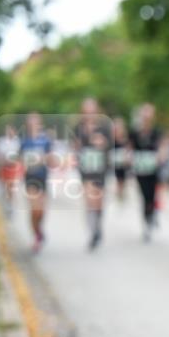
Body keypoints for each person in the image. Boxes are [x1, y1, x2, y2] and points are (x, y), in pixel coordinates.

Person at [73, 98, 111, 251]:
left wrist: (103, 143)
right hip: (86, 168)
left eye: (92, 111)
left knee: (99, 201)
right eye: (86, 111)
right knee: (89, 200)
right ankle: (93, 232)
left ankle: (98, 226)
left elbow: (110, 144)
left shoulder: (104, 127)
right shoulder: (78, 128)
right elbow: (75, 147)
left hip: (100, 168)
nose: (89, 114)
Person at [129, 103, 165, 242]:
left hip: (153, 169)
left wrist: (160, 157)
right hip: (140, 169)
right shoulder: (135, 132)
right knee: (144, 196)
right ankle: (147, 222)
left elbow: (162, 147)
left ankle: (152, 215)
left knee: (152, 195)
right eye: (145, 114)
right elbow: (130, 148)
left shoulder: (156, 132)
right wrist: (130, 158)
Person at [19, 113, 52, 253]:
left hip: (42, 177)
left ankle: (39, 230)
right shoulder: (24, 141)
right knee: (34, 209)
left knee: (41, 211)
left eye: (36, 122)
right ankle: (37, 237)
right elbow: (20, 159)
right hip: (30, 178)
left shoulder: (45, 140)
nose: (33, 125)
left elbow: (51, 159)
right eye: (31, 122)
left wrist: (43, 159)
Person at [0, 124, 23, 217]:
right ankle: (6, 203)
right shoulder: (0, 142)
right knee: (4, 187)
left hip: (13, 167)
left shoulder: (17, 142)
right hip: (3, 167)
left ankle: (10, 206)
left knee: (11, 187)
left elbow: (19, 155)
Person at [111, 117, 131, 203]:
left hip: (122, 164)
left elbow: (129, 151)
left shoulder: (125, 140)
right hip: (113, 165)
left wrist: (127, 157)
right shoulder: (111, 140)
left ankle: (120, 192)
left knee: (122, 178)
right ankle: (118, 192)